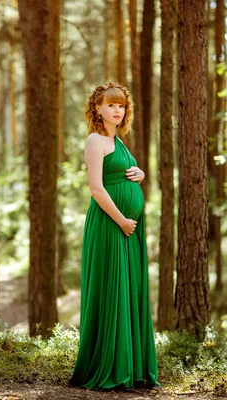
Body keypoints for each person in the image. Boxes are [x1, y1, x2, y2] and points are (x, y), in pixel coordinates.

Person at [69, 82, 160, 391]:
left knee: (128, 289)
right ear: (98, 109)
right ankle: (110, 366)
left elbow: (125, 172)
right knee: (113, 288)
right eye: (111, 105)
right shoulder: (96, 140)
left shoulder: (117, 141)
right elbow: (96, 187)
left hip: (127, 228)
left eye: (121, 105)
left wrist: (140, 174)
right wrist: (121, 219)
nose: (117, 110)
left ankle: (131, 367)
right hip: (111, 225)